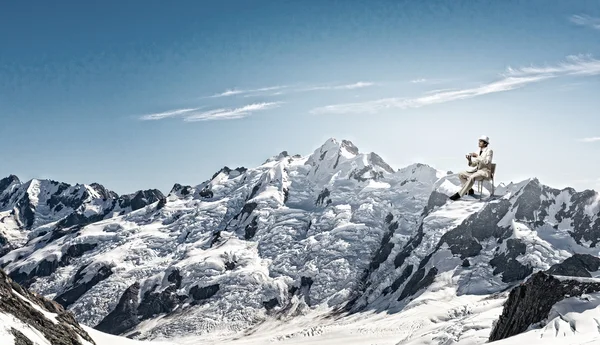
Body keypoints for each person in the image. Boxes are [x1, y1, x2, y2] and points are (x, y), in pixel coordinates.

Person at [449, 135, 493, 201]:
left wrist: (477, 156)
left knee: (472, 177)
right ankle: (470, 190)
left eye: (481, 141)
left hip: (484, 172)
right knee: (461, 174)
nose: (479, 142)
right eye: (479, 141)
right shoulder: (478, 151)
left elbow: (487, 162)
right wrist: (469, 160)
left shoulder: (489, 151)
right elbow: (473, 164)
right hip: (476, 171)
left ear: (485, 143)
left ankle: (459, 194)